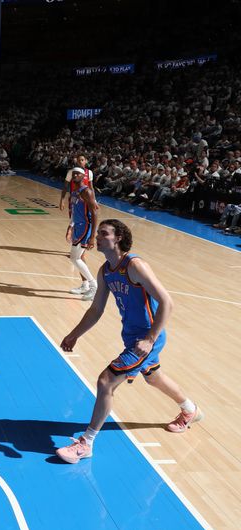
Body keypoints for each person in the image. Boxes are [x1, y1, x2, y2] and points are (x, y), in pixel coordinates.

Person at [56, 219, 203, 464]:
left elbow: (167, 302)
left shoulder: (134, 265)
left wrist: (150, 338)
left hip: (146, 339)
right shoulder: (106, 271)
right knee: (153, 376)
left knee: (106, 381)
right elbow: (96, 310)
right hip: (133, 338)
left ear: (119, 239)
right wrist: (74, 334)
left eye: (104, 234)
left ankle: (86, 443)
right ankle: (190, 410)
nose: (98, 237)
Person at [61, 156, 97, 296]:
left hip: (85, 228)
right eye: (74, 173)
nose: (76, 175)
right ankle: (86, 285)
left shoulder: (86, 192)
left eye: (78, 174)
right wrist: (70, 228)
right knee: (77, 258)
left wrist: (92, 236)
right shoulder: (75, 192)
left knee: (75, 258)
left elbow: (95, 214)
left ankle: (93, 286)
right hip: (78, 227)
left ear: (84, 176)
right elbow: (76, 213)